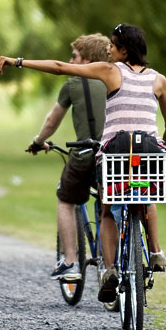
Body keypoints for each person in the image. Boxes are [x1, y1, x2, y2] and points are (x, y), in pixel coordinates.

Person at [0, 23, 166, 302]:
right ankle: (156, 252)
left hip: (115, 150)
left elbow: (59, 67)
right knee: (146, 196)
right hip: (148, 149)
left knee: (107, 210)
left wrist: (16, 61)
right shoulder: (159, 80)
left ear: (124, 50)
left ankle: (109, 270)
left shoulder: (110, 71)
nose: (108, 50)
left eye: (112, 45)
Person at [28, 34, 110, 281]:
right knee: (109, 204)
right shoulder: (114, 79)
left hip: (84, 155)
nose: (70, 61)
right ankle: (110, 263)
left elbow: (52, 121)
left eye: (74, 56)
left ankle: (71, 263)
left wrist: (38, 141)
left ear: (87, 59)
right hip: (111, 155)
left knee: (65, 200)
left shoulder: (73, 84)